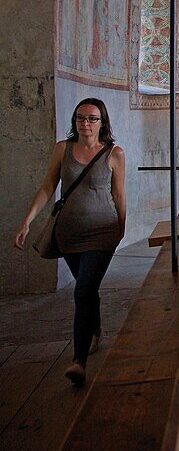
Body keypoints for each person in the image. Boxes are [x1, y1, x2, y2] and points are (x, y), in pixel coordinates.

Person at [12, 98, 126, 387]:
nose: (85, 124)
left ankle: (78, 361)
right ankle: (96, 327)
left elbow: (119, 195)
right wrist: (27, 221)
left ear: (103, 122)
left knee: (83, 290)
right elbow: (49, 186)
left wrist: (121, 229)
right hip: (69, 234)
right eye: (80, 118)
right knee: (88, 291)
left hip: (101, 234)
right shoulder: (63, 149)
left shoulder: (114, 153)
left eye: (91, 118)